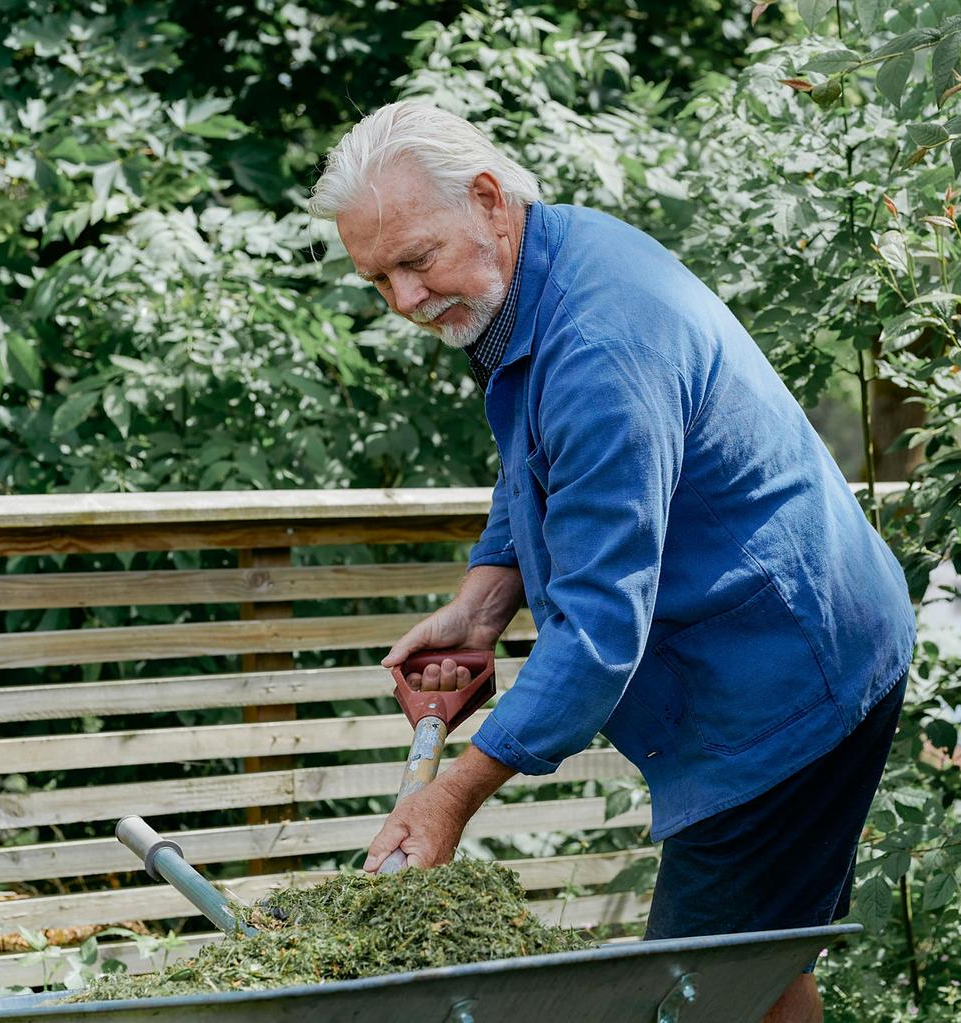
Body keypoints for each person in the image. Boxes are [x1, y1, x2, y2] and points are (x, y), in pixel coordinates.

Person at [307, 101, 915, 1023]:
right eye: (378, 278)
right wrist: (482, 604)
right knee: (759, 967)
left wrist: (452, 796)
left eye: (415, 260)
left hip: (788, 680)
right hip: (763, 648)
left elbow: (597, 632)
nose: (403, 300)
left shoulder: (600, 340)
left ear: (488, 200)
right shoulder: (527, 280)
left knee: (691, 994)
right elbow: (537, 462)